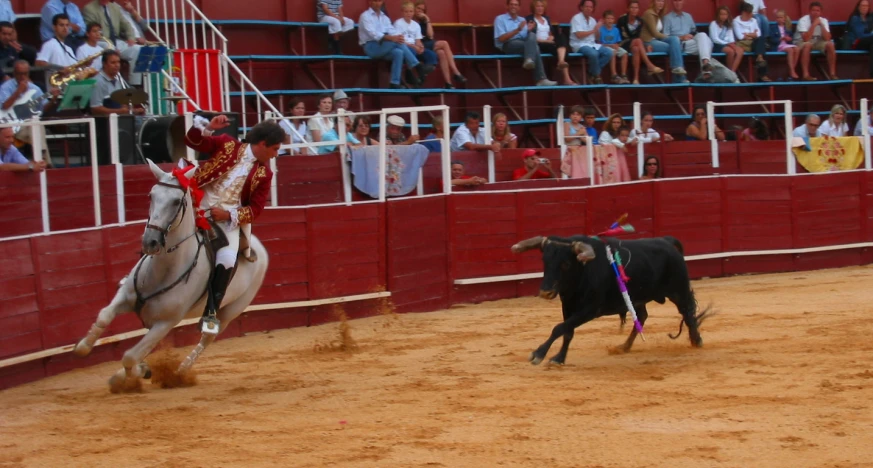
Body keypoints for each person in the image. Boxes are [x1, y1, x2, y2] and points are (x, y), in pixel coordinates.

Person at [183, 115, 284, 329]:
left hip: (225, 220)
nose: (275, 154)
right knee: (162, 224)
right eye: (274, 148)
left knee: (228, 260)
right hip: (195, 205)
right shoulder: (227, 144)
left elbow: (256, 210)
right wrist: (209, 127)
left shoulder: (264, 173)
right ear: (262, 144)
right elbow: (193, 142)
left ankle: (210, 311)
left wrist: (228, 215)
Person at [358, 0, 431, 89]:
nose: (377, 3)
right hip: (371, 46)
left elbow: (392, 31)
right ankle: (417, 65)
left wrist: (399, 37)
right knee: (396, 42)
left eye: (379, 1)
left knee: (398, 52)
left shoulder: (384, 17)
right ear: (370, 2)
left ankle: (394, 82)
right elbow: (373, 34)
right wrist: (393, 38)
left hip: (384, 45)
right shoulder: (365, 16)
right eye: (375, 1)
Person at [0, 60, 61, 161]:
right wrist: (18, 91)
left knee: (36, 125)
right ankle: (44, 162)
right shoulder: (6, 87)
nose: (23, 77)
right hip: (8, 124)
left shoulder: (34, 89)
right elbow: (4, 106)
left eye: (25, 74)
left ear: (28, 73)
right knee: (35, 127)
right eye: (20, 74)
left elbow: (43, 108)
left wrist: (53, 99)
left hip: (26, 124)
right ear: (14, 73)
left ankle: (42, 159)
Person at [494, 0, 557, 86]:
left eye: (516, 5)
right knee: (535, 47)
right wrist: (517, 30)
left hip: (522, 43)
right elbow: (501, 39)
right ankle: (540, 78)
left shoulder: (522, 19)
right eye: (511, 4)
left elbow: (525, 37)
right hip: (508, 44)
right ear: (507, 6)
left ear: (519, 7)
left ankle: (529, 60)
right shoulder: (500, 19)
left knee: (532, 35)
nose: (513, 6)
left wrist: (528, 30)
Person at [83, 0, 144, 86]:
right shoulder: (89, 9)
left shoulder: (115, 7)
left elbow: (126, 25)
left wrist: (131, 37)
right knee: (111, 50)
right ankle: (116, 82)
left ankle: (135, 84)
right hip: (101, 41)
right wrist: (113, 47)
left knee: (137, 49)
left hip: (117, 41)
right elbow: (93, 31)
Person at [414, 0, 467, 88]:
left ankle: (448, 83)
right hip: (420, 45)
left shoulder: (423, 21)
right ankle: (456, 72)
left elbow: (430, 35)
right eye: (418, 8)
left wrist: (427, 20)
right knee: (444, 43)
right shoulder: (411, 21)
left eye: (422, 10)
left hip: (428, 43)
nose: (419, 11)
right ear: (414, 8)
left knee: (442, 53)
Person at [526, 0, 575, 85]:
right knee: (564, 51)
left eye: (542, 6)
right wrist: (546, 41)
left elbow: (551, 32)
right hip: (539, 43)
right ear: (533, 7)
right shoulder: (529, 19)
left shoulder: (546, 19)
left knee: (562, 37)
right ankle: (566, 78)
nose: (540, 8)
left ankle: (561, 61)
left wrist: (552, 37)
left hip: (549, 42)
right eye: (538, 6)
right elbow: (530, 37)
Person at [663, 0, 714, 80]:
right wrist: (682, 37)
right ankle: (706, 68)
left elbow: (694, 31)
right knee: (708, 44)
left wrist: (692, 35)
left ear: (683, 2)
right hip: (680, 45)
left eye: (679, 1)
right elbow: (665, 37)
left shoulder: (688, 16)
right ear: (672, 2)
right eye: (675, 1)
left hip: (692, 41)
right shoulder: (667, 18)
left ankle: (705, 64)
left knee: (703, 35)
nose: (677, 3)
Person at [640, 0, 686, 82]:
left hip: (656, 41)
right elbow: (655, 33)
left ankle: (677, 69)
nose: (661, 3)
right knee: (674, 47)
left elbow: (659, 34)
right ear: (653, 2)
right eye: (658, 1)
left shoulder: (659, 15)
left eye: (662, 1)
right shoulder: (649, 13)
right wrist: (672, 37)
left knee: (675, 40)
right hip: (648, 42)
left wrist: (674, 38)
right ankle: (679, 77)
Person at [618, 0, 662, 85]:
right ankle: (649, 65)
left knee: (636, 49)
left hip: (634, 44)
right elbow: (622, 35)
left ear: (638, 9)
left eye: (636, 8)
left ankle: (636, 79)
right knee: (637, 41)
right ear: (628, 9)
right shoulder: (622, 19)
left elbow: (639, 35)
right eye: (632, 7)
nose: (634, 10)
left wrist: (646, 46)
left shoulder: (640, 21)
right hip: (623, 43)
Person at [394, 1, 437, 88]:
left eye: (410, 11)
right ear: (402, 12)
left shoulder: (416, 25)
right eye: (406, 11)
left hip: (414, 46)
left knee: (431, 54)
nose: (408, 14)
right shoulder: (398, 23)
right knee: (412, 51)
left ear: (413, 12)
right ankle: (411, 74)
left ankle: (422, 73)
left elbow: (418, 40)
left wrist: (420, 46)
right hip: (405, 46)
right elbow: (399, 41)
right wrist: (414, 47)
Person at [570, 0, 613, 85]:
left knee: (609, 52)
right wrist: (593, 30)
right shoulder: (576, 18)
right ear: (581, 7)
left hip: (592, 44)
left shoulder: (593, 20)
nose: (589, 9)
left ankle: (591, 72)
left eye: (591, 7)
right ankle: (596, 75)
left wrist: (597, 29)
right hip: (579, 44)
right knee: (594, 54)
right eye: (587, 6)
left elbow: (596, 38)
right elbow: (579, 35)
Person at [89, 50, 142, 115]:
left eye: (118, 62)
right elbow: (95, 109)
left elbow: (121, 104)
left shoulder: (118, 79)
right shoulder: (98, 82)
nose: (117, 65)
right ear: (104, 64)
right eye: (113, 63)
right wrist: (119, 111)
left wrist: (131, 110)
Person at [794, 1, 837, 81]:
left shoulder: (823, 20)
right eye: (813, 10)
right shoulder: (803, 20)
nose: (815, 13)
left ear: (820, 12)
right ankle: (806, 75)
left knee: (830, 44)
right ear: (809, 11)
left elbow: (827, 38)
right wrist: (813, 24)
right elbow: (806, 39)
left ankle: (832, 74)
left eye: (818, 11)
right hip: (800, 42)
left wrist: (821, 25)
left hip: (817, 41)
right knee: (808, 45)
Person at [734, 2, 770, 82]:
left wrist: (747, 35)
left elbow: (759, 34)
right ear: (744, 12)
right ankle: (763, 75)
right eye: (749, 13)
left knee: (761, 40)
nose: (751, 15)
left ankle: (759, 58)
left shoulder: (753, 20)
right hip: (743, 44)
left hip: (753, 43)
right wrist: (753, 34)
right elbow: (740, 36)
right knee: (761, 47)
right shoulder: (736, 21)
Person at [768, 10, 800, 80]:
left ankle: (791, 70)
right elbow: (771, 39)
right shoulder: (773, 28)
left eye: (781, 17)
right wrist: (780, 38)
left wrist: (788, 39)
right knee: (790, 50)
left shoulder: (787, 27)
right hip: (778, 45)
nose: (779, 19)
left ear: (784, 18)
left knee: (797, 49)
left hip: (786, 44)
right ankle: (792, 71)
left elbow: (791, 38)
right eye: (778, 18)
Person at [599, 10, 630, 84]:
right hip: (604, 47)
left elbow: (617, 42)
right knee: (612, 52)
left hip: (614, 46)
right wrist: (610, 45)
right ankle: (614, 75)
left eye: (612, 19)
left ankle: (623, 75)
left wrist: (616, 46)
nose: (610, 20)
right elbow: (599, 44)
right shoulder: (600, 29)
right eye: (608, 18)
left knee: (625, 53)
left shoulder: (616, 30)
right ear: (604, 19)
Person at [710, 6, 743, 73]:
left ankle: (732, 72)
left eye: (725, 14)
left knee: (740, 50)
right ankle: (729, 72)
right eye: (721, 14)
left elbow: (731, 38)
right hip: (717, 45)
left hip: (727, 44)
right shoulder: (713, 24)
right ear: (718, 15)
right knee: (730, 51)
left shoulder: (728, 25)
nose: (723, 16)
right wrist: (727, 44)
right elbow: (715, 39)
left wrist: (732, 44)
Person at [845, 0, 873, 78]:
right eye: (862, 5)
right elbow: (860, 35)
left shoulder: (869, 19)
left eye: (866, 6)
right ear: (858, 7)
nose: (865, 8)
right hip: (856, 43)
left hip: (868, 42)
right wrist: (871, 34)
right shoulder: (855, 18)